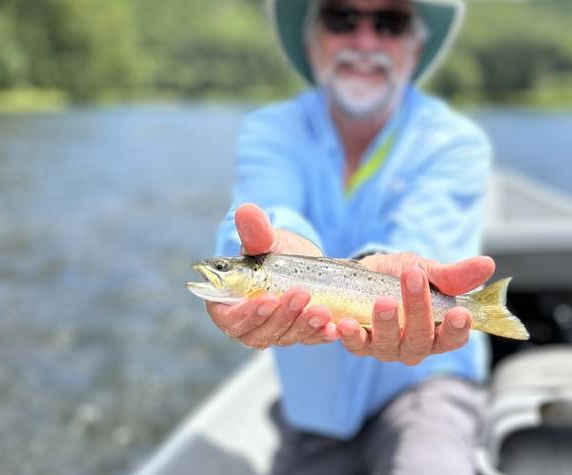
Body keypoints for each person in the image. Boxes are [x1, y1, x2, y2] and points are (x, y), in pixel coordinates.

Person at [208, 0, 494, 473]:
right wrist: (272, 243)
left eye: (390, 22)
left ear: (415, 45)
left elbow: (428, 239)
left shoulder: (455, 141)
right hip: (313, 406)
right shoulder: (270, 131)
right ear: (311, 38)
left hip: (425, 386)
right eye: (342, 18)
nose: (365, 42)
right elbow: (262, 208)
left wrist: (388, 269)